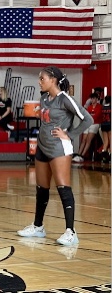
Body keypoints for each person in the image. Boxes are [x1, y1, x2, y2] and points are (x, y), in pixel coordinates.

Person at [17, 66, 93, 246]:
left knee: (63, 188)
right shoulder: (44, 98)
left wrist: (70, 135)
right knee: (41, 189)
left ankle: (70, 232)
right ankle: (38, 227)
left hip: (59, 148)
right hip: (43, 147)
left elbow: (87, 119)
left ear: (53, 80)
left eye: (42, 78)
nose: (39, 81)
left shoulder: (65, 99)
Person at [72, 93, 102, 163]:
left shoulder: (99, 107)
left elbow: (96, 116)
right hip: (88, 123)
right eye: (91, 98)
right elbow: (87, 115)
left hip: (95, 123)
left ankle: (82, 155)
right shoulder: (89, 107)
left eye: (94, 98)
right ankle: (78, 154)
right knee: (83, 139)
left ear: (97, 99)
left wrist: (90, 118)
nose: (92, 100)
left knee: (88, 139)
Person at [100, 95, 111, 163]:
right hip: (110, 124)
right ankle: (110, 156)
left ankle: (103, 157)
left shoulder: (102, 107)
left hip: (103, 125)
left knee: (105, 142)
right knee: (111, 141)